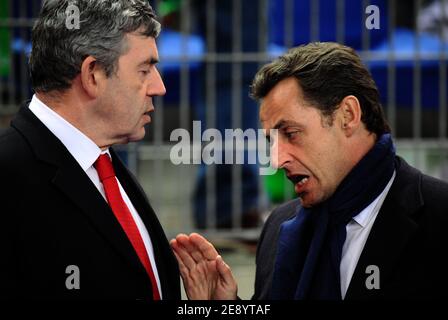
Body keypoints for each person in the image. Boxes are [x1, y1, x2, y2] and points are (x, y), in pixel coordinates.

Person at [171, 42, 448, 300]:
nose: (276, 161)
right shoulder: (279, 227)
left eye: (291, 134)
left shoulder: (439, 216)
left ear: (348, 115)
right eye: (271, 141)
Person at [0, 0, 180, 300]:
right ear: (92, 74)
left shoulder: (106, 163)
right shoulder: (9, 177)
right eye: (145, 69)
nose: (159, 87)